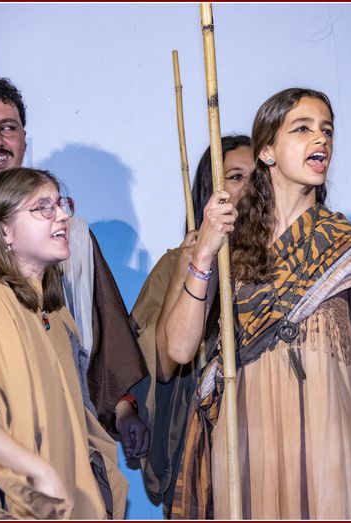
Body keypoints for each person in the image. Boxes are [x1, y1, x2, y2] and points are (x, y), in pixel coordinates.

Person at [165, 88, 351, 519]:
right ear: (267, 151)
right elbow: (180, 350)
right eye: (302, 129)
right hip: (250, 436)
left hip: (330, 440)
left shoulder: (348, 249)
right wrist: (203, 253)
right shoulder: (228, 243)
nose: (321, 139)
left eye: (327, 130)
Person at [0, 73, 148, 456]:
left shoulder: (68, 233)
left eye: (7, 128)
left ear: (24, 139)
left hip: (63, 435)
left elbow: (103, 337)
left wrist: (124, 411)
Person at [0, 168, 128, 518]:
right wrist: (37, 472)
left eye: (61, 204)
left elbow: (78, 414)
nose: (62, 215)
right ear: (4, 229)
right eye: (43, 207)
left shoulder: (54, 311)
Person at [128, 135, 252, 514]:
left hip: (267, 443)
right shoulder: (177, 263)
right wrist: (194, 263)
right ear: (209, 194)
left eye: (257, 177)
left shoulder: (285, 267)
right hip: (200, 451)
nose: (249, 187)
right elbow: (161, 364)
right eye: (236, 177)